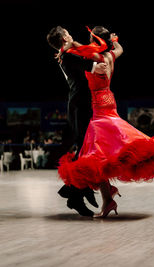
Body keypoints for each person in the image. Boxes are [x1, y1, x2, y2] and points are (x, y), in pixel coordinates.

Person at [57, 26, 154, 218]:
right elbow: (120, 49)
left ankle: (105, 198)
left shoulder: (93, 57)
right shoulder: (111, 56)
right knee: (110, 146)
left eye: (91, 38)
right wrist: (114, 41)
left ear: (95, 40)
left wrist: (66, 48)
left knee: (97, 154)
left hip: (96, 104)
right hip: (110, 100)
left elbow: (78, 52)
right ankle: (106, 195)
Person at [47, 26, 104, 216]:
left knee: (86, 149)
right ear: (64, 38)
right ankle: (74, 194)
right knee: (85, 150)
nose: (71, 35)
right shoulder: (68, 56)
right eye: (68, 33)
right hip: (80, 105)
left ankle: (78, 190)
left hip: (78, 104)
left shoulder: (65, 55)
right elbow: (94, 67)